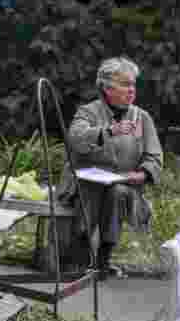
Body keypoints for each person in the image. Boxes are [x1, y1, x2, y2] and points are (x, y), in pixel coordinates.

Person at [57, 57, 163, 276]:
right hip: (85, 184)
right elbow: (75, 140)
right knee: (92, 188)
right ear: (106, 88)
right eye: (125, 84)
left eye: (133, 84)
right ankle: (79, 254)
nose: (131, 90)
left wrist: (142, 174)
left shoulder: (142, 118)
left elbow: (154, 156)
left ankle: (104, 258)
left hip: (123, 184)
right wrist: (108, 132)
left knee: (117, 192)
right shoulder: (88, 112)